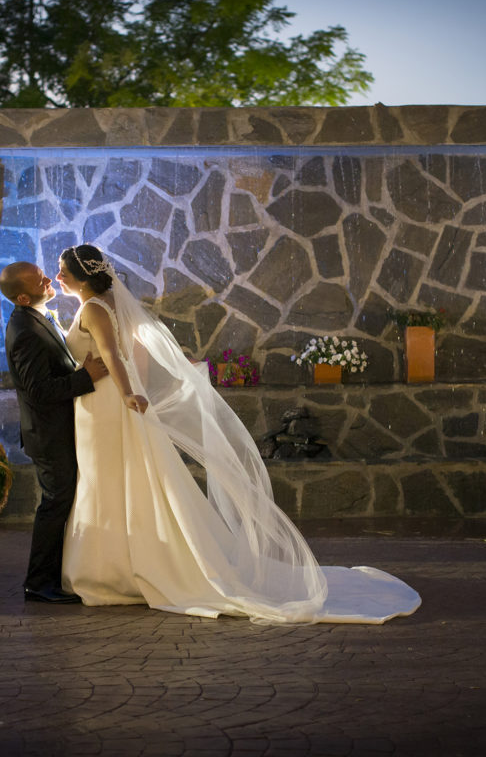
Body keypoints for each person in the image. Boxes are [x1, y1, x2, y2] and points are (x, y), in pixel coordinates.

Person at [55, 244, 421, 624]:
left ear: (83, 275)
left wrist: (130, 393)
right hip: (103, 405)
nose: (58, 275)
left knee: (108, 480)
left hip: (108, 405)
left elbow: (114, 354)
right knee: (118, 479)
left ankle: (109, 574)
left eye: (63, 270)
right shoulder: (108, 302)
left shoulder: (95, 308)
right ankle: (122, 564)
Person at [0, 261, 108, 603]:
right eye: (40, 280)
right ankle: (38, 583)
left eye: (44, 274)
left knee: (61, 501)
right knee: (54, 504)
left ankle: (56, 574)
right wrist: (86, 376)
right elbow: (39, 390)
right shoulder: (26, 331)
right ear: (21, 296)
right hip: (47, 435)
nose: (48, 280)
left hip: (56, 429)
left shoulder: (37, 316)